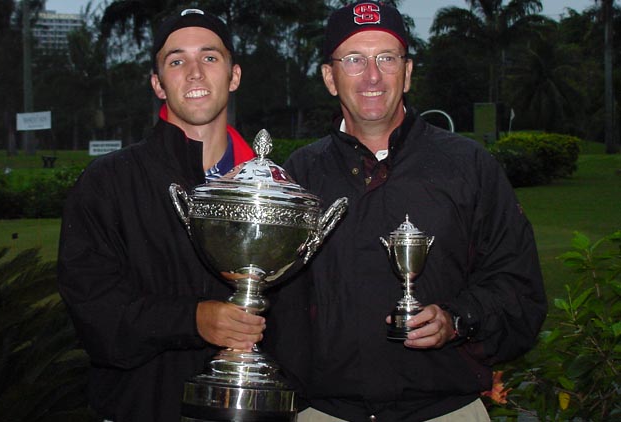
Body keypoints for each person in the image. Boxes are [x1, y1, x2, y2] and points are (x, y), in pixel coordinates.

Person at [283, 1, 548, 421]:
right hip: (326, 413)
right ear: (330, 78)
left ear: (407, 73)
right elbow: (277, 304)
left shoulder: (467, 165)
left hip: (446, 411)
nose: (372, 75)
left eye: (386, 58)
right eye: (354, 59)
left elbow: (520, 288)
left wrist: (457, 320)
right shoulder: (298, 176)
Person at [57, 8, 267, 421]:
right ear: (157, 83)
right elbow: (96, 315)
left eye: (209, 57)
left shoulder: (273, 191)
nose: (194, 73)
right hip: (141, 406)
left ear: (234, 75)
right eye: (176, 61)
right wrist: (192, 319)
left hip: (251, 409)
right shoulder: (108, 184)